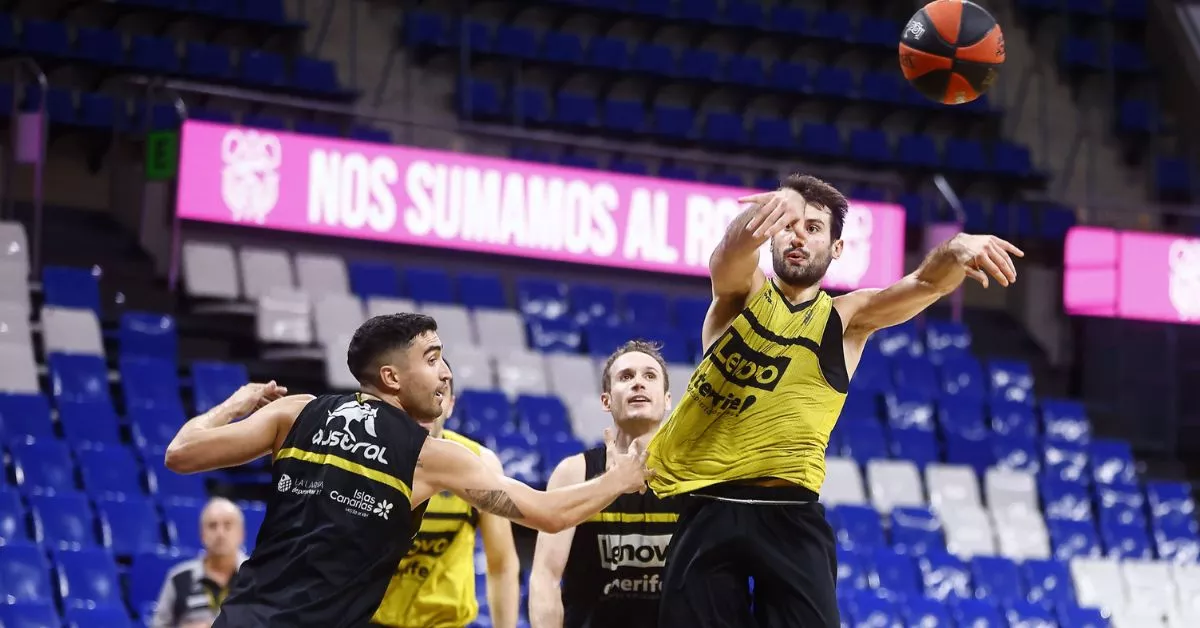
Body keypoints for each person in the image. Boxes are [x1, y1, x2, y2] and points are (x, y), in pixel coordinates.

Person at [646, 174, 1025, 627]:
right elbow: (727, 255)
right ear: (772, 236)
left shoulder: (847, 317)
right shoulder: (741, 295)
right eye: (790, 224)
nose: (798, 235)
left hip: (790, 513)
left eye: (813, 227)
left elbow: (926, 283)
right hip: (706, 504)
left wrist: (954, 248)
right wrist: (762, 214)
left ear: (836, 248)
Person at [163, 313, 654, 628]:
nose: (445, 373)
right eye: (434, 359)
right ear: (393, 378)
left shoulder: (295, 413)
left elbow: (181, 452)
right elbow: (548, 514)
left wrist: (237, 402)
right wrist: (622, 477)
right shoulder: (429, 455)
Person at [528, 340, 681, 628]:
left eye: (649, 376)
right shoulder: (573, 472)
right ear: (606, 400)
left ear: (667, 399)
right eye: (626, 377)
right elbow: (545, 577)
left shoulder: (694, 475)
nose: (638, 383)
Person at [370, 361, 520, 628]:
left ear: (450, 404)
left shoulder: (479, 462)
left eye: (438, 393)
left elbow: (502, 564)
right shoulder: (367, 459)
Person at [151, 497, 248, 628]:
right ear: (202, 534)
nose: (220, 533)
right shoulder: (179, 578)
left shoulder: (260, 576)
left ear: (241, 534)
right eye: (212, 526)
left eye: (228, 525)